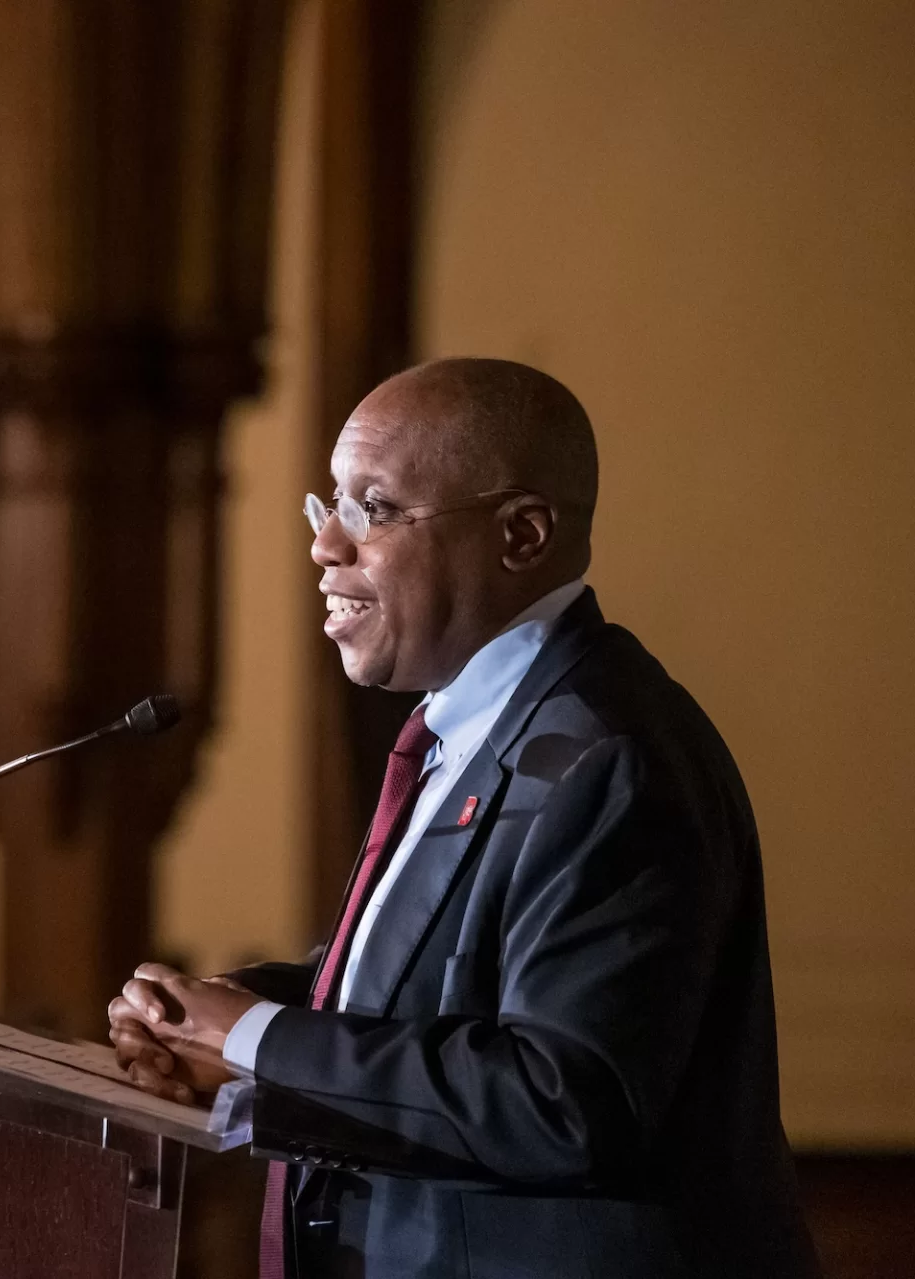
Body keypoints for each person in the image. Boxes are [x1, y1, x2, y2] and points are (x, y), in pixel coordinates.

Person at [108, 359, 821, 1279]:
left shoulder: (608, 756)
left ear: (520, 534)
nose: (326, 545)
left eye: (373, 508)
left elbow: (561, 1099)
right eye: (325, 503)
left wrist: (254, 1038)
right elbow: (439, 996)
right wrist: (222, 1018)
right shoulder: (482, 727)